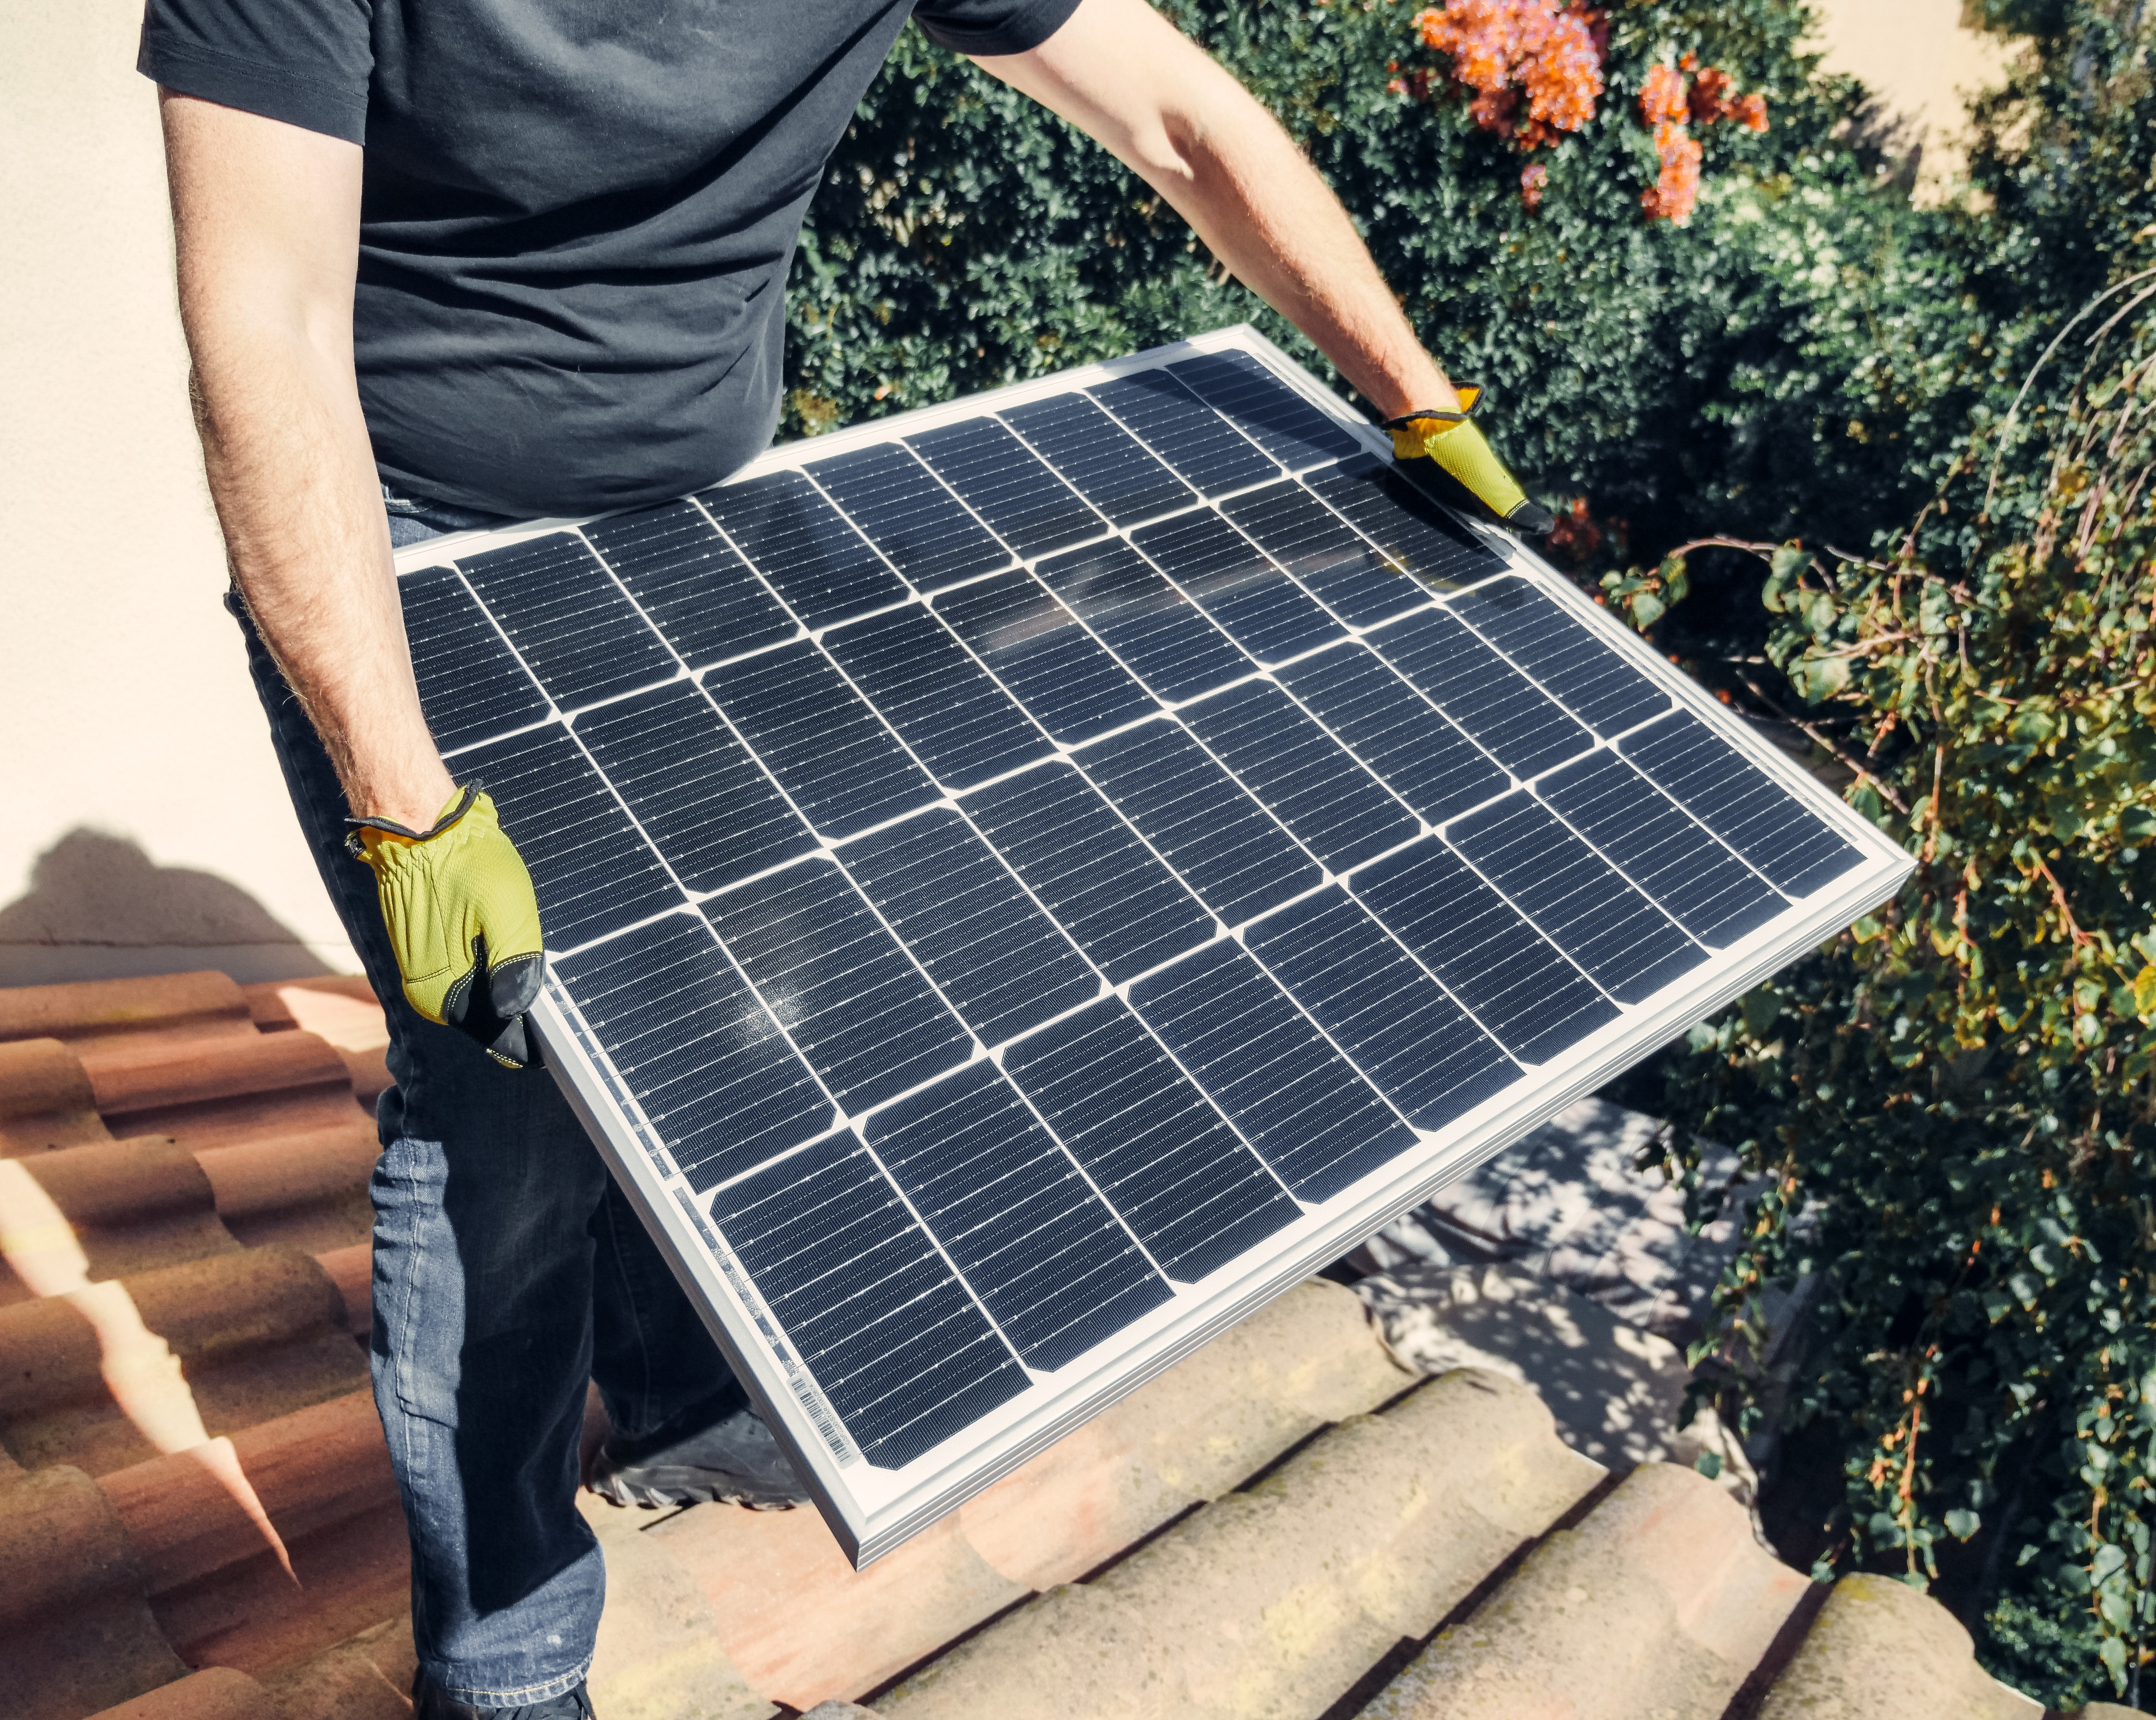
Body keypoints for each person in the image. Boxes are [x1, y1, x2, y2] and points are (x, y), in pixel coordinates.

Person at [143, 0, 1544, 1712]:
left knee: (686, 1001)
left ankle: (670, 1392)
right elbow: (262, 327)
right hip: (409, 548)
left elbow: (1177, 117)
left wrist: (1409, 388)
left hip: (706, 528)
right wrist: (401, 796)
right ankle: (500, 1664)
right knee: (498, 1109)